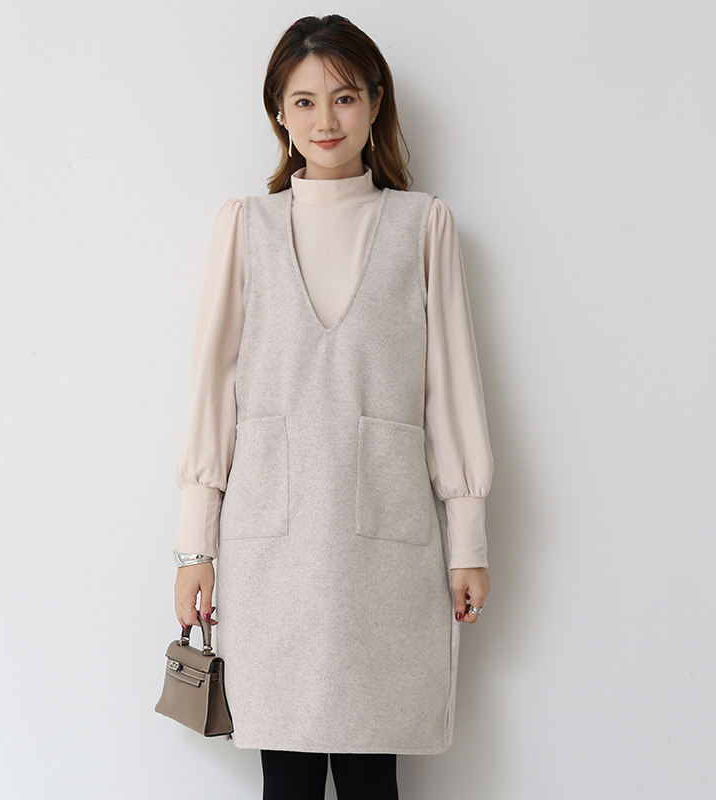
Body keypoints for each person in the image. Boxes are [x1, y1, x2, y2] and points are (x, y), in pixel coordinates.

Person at [170, 14, 493, 800]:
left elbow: (452, 389)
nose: (326, 120)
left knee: (371, 770)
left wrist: (468, 540)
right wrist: (193, 547)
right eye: (304, 101)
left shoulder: (423, 225)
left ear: (376, 103)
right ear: (279, 112)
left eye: (345, 98)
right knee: (283, 773)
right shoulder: (245, 226)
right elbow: (212, 392)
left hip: (386, 545)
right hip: (269, 546)